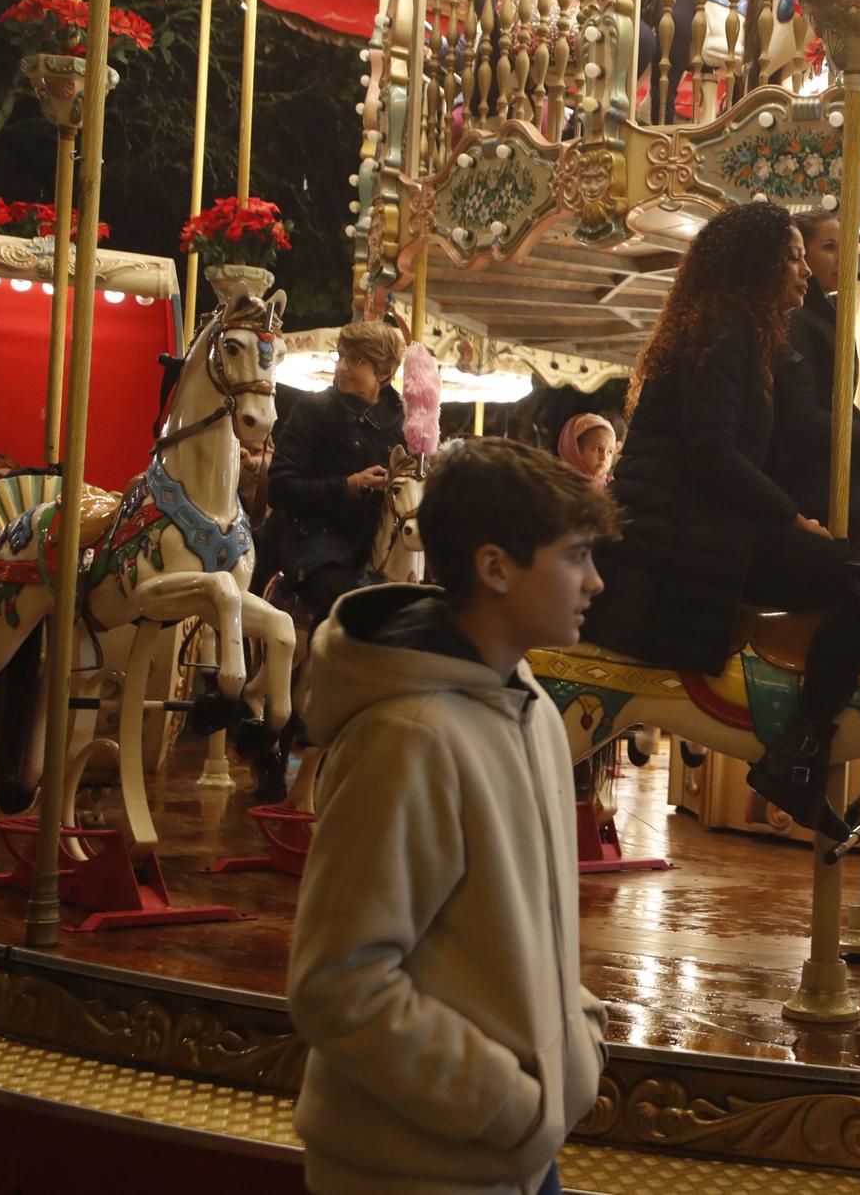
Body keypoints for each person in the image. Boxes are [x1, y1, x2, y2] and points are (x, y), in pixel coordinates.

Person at [287, 437, 615, 1195]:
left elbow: (522, 923)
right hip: (422, 1165)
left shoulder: (524, 703)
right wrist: (505, 1099)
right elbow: (339, 981)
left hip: (516, 1155)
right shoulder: (407, 738)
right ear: (495, 566)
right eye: (574, 557)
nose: (594, 581)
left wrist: (573, 1040)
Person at [579, 202, 860, 842]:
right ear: (757, 263)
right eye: (794, 256)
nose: (804, 272)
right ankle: (798, 754)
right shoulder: (722, 329)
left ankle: (800, 750)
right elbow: (713, 451)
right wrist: (789, 516)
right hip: (687, 534)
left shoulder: (734, 328)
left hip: (700, 522)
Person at [267, 321, 409, 619]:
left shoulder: (405, 424)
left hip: (381, 544)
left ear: (383, 372)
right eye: (340, 356)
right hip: (317, 543)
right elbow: (279, 487)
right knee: (345, 606)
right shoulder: (314, 410)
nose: (341, 366)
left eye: (355, 360)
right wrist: (346, 486)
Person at [770, 210, 860, 530]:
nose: (842, 258)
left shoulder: (823, 316)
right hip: (813, 475)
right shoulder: (796, 319)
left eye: (844, 248)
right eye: (829, 248)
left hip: (827, 463)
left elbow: (835, 401)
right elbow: (804, 414)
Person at [558, 412, 619, 486]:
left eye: (609, 452)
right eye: (597, 449)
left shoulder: (610, 485)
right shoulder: (563, 486)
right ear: (576, 449)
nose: (604, 458)